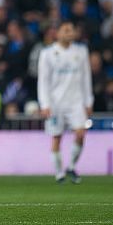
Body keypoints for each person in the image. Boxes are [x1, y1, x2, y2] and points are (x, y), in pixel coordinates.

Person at [38, 21, 93, 184]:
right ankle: (59, 173)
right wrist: (45, 104)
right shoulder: (47, 53)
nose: (70, 33)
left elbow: (86, 77)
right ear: (58, 33)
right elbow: (43, 81)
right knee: (56, 137)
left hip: (76, 101)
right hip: (55, 103)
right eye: (66, 30)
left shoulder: (81, 51)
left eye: (72, 30)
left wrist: (88, 100)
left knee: (81, 134)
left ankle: (71, 166)